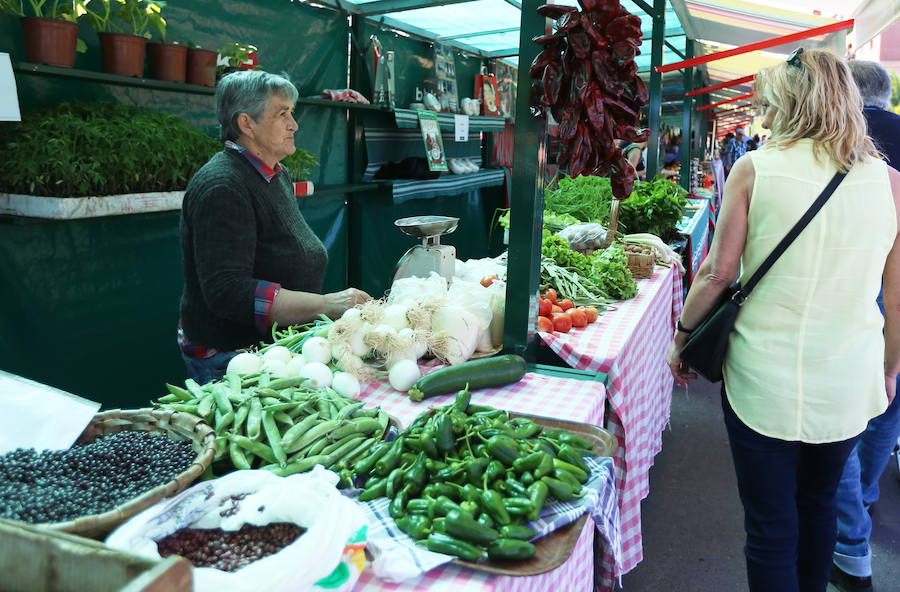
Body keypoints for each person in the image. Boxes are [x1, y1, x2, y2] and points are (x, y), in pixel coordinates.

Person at [667, 48, 900, 592]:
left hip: (761, 381)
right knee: (818, 508)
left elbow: (717, 275)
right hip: (847, 380)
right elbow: (899, 294)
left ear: (793, 103)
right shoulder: (891, 184)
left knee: (771, 526)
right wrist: (890, 369)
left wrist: (681, 338)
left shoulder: (755, 168)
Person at [178, 70, 371, 384]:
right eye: (283, 114)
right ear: (246, 124)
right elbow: (229, 291)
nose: (294, 124)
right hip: (235, 360)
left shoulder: (274, 174)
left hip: (276, 348)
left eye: (291, 113)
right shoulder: (223, 187)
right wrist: (326, 304)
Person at [830, 59, 900, 592]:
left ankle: (850, 534)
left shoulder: (840, 135)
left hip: (863, 283)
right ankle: (865, 497)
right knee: (888, 404)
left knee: (848, 410)